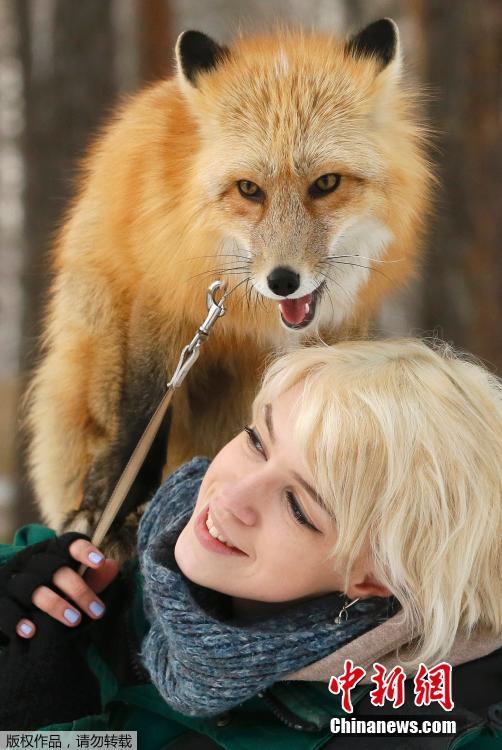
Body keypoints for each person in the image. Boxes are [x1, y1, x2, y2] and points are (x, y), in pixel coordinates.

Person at [0, 337, 501, 749]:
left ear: (376, 578)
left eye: (299, 507)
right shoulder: (81, 582)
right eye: (258, 442)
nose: (233, 496)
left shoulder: (430, 733)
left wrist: (50, 735)